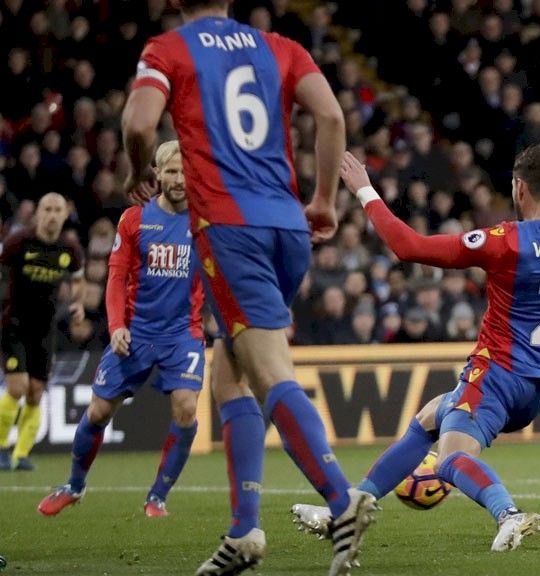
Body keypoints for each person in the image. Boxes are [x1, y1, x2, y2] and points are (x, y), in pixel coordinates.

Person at [291, 146, 540, 551]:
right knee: (431, 416)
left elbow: (408, 247)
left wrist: (364, 191)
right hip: (536, 391)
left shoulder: (505, 241)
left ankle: (507, 514)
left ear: (518, 189)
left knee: (449, 459)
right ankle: (350, 509)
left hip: (493, 376)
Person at [120, 1, 374, 574]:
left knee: (268, 369)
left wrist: (139, 170)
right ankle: (243, 532)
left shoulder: (169, 49)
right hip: (287, 224)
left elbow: (139, 123)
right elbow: (331, 118)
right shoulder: (281, 46)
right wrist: (325, 199)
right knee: (229, 368)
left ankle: (342, 499)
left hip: (231, 231)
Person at [37, 141, 205, 518]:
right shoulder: (134, 219)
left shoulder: (204, 219)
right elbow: (116, 278)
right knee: (98, 412)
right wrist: (116, 328)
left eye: (185, 172)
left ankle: (157, 496)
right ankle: (74, 485)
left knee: (187, 409)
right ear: (157, 175)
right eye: (172, 172)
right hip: (136, 332)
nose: (179, 179)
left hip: (183, 333)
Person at [0, 193, 85, 471]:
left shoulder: (70, 250)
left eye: (57, 210)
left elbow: (77, 279)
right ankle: (1, 448)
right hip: (13, 325)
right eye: (46, 209)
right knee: (17, 387)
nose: (51, 215)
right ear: (37, 213)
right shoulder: (19, 243)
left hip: (44, 331)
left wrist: (78, 304)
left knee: (36, 393)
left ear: (65, 214)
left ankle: (21, 454)